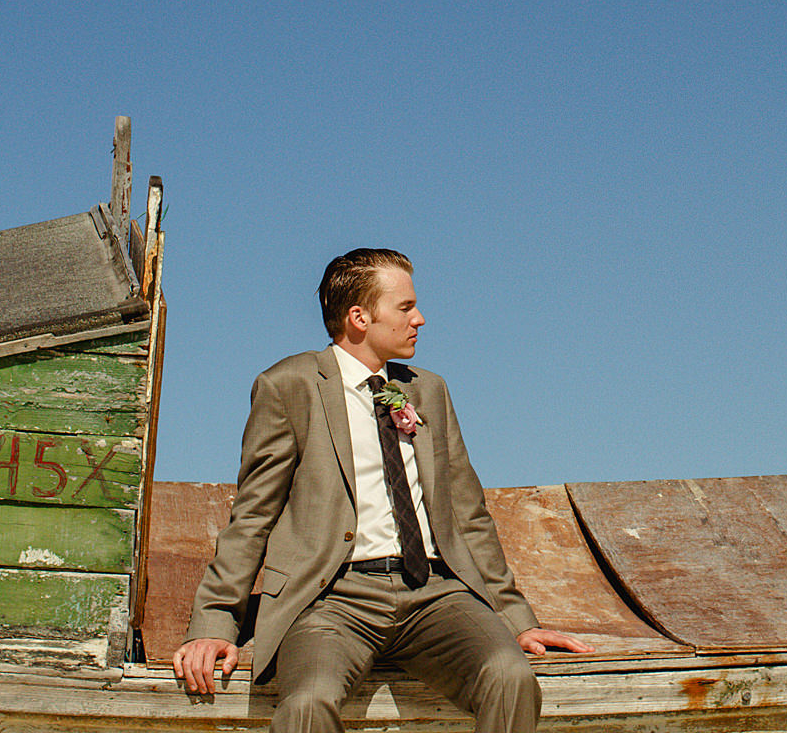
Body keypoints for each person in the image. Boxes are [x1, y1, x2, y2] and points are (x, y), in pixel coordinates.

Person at [173, 247, 591, 733]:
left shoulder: (427, 389)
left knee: (510, 678)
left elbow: (468, 514)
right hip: (332, 601)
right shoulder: (289, 385)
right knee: (306, 704)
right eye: (406, 307)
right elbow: (252, 516)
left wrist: (518, 618)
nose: (420, 318)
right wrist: (213, 624)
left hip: (436, 594)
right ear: (359, 317)